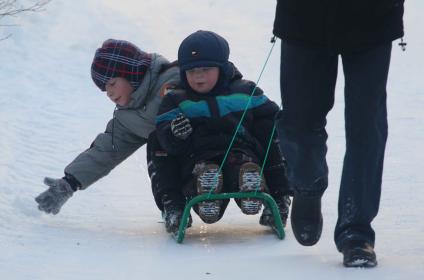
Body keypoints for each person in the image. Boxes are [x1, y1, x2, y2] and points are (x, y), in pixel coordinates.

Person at [273, 0, 404, 267]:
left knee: (367, 126)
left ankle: (356, 231)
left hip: (374, 19)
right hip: (302, 17)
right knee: (299, 122)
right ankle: (307, 186)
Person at [34, 39, 190, 233]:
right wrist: (69, 183)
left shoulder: (172, 78)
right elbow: (106, 150)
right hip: (176, 166)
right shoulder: (128, 117)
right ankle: (172, 205)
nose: (109, 93)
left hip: (207, 146)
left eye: (112, 83)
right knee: (156, 143)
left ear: (131, 73)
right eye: (104, 89)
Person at [155, 30, 291, 228]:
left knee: (268, 130)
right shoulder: (176, 100)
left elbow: (274, 117)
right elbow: (165, 134)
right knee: (157, 141)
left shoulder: (244, 91)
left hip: (241, 152)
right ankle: (183, 203)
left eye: (206, 69)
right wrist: (175, 133)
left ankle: (265, 193)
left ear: (222, 68)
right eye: (192, 71)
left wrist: (288, 121)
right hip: (197, 158)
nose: (198, 76)